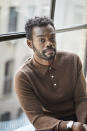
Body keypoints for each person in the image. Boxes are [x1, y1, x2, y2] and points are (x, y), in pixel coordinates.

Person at [15, 16, 87, 131]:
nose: (49, 43)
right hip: (49, 124)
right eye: (42, 40)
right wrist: (70, 126)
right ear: (30, 44)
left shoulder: (73, 60)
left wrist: (82, 125)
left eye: (52, 38)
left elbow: (81, 99)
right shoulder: (23, 76)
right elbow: (37, 118)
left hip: (78, 116)